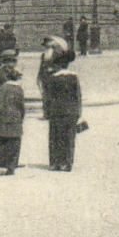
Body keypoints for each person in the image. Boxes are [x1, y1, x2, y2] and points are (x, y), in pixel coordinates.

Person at [42, 43, 82, 171]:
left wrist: (47, 112)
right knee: (69, 138)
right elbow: (78, 96)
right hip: (70, 112)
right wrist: (78, 112)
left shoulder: (53, 78)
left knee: (55, 137)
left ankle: (55, 162)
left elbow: (48, 96)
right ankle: (67, 162)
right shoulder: (74, 77)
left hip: (56, 111)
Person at [0, 59, 25, 175]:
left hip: (3, 116)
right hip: (14, 118)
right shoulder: (18, 88)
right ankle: (10, 165)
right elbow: (21, 106)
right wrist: (21, 117)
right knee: (12, 141)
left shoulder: (4, 88)